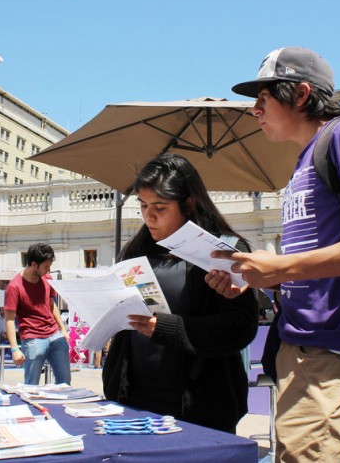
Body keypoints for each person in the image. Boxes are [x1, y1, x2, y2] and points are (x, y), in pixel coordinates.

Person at [206, 47, 340, 461]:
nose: (255, 110)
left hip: (331, 356)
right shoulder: (305, 159)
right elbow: (316, 268)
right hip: (299, 351)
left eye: (263, 98)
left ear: (300, 95)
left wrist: (282, 265)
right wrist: (256, 281)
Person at [102, 153, 259, 433]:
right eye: (143, 205)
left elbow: (241, 327)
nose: (149, 216)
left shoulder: (223, 251)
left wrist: (165, 328)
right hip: (134, 402)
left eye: (160, 208)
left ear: (188, 204)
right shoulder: (136, 250)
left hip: (199, 407)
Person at [5, 243, 71, 385]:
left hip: (55, 335)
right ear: (34, 264)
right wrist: (15, 348)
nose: (49, 270)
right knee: (31, 384)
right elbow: (9, 319)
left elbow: (52, 305)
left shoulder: (48, 279)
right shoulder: (14, 287)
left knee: (65, 382)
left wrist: (63, 329)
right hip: (33, 338)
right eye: (46, 266)